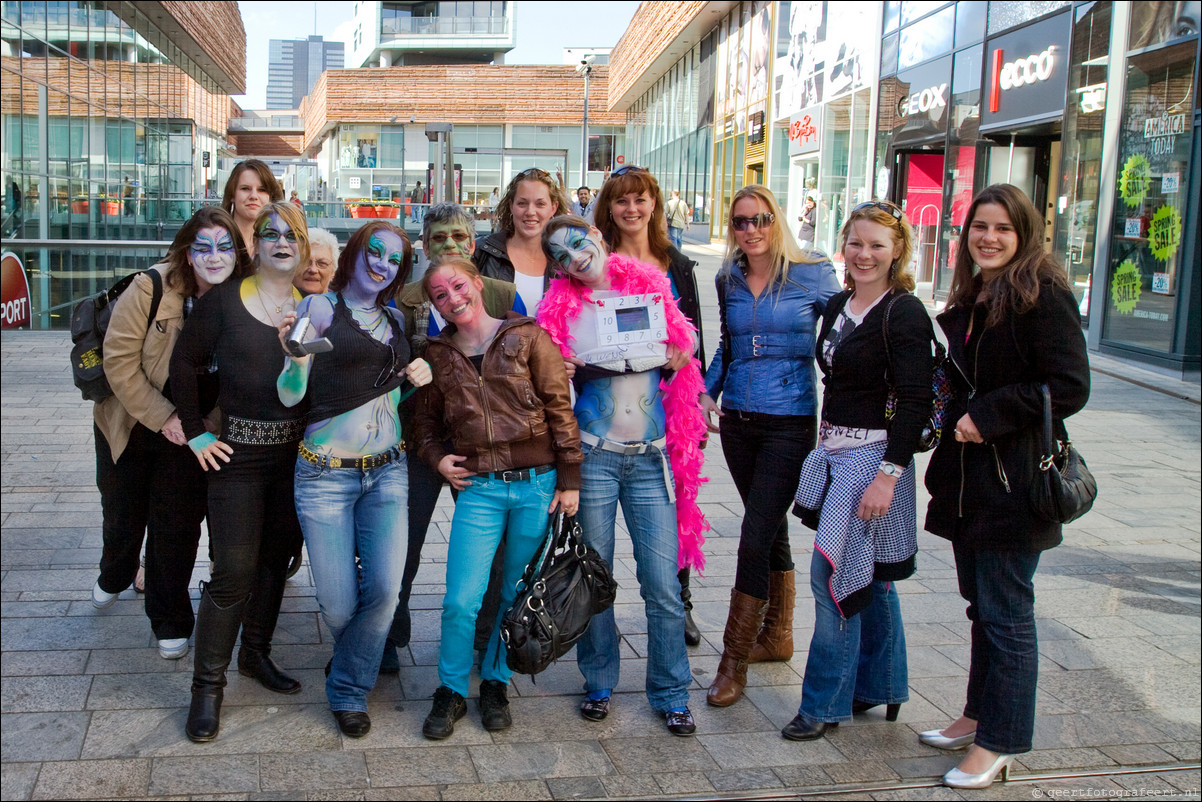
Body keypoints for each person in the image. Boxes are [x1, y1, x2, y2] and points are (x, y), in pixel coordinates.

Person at [923, 184, 1089, 790]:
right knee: (982, 608)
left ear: (1024, 235)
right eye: (979, 227)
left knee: (1007, 613)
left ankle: (1001, 741)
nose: (988, 238)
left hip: (1015, 480)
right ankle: (978, 715)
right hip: (971, 483)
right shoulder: (979, 293)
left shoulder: (1042, 295)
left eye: (1002, 229)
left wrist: (989, 414)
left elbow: (1069, 385)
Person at [539, 216, 706, 737]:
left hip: (650, 459)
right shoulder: (559, 311)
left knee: (662, 585)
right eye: (560, 255)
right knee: (597, 578)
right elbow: (543, 388)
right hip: (595, 459)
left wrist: (685, 351)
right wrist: (555, 369)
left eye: (578, 243)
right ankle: (599, 681)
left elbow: (685, 347)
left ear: (599, 237)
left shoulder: (652, 287)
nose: (573, 257)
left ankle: (672, 691)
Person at [782, 199, 933, 742]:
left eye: (877, 245)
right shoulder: (838, 304)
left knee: (832, 580)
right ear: (842, 244)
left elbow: (915, 401)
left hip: (873, 461)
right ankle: (883, 686)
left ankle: (822, 704)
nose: (864, 254)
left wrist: (888, 476)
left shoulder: (904, 312)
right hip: (833, 453)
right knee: (871, 578)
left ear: (898, 252)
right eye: (856, 242)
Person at [412, 257, 582, 740]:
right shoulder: (436, 354)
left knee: (515, 595)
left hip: (537, 484)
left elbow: (558, 408)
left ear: (478, 284)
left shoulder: (528, 336)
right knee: (461, 600)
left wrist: (570, 477)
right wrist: (436, 458)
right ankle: (449, 690)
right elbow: (424, 424)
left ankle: (495, 681)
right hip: (481, 489)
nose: (452, 298)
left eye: (457, 286)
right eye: (440, 295)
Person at [276, 221, 432, 738]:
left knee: (386, 589)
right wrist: (295, 360)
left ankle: (347, 688)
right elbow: (291, 393)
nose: (382, 263)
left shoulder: (393, 318)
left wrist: (418, 377)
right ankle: (353, 658)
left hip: (387, 472)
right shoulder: (318, 309)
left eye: (394, 258)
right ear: (356, 252)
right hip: (324, 476)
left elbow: (386, 393)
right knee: (339, 602)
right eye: (375, 251)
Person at [170, 201, 310, 743]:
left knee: (276, 562)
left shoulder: (312, 306)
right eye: (270, 233)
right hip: (237, 459)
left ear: (300, 246)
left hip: (293, 460)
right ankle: (207, 689)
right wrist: (195, 430)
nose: (279, 241)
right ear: (257, 244)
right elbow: (183, 363)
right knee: (232, 570)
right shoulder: (226, 301)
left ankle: (255, 655)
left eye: (289, 235)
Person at [701, 185, 841, 707]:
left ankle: (733, 658)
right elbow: (729, 346)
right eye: (741, 222)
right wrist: (705, 392)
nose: (751, 230)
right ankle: (778, 636)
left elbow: (844, 333)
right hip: (738, 421)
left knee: (755, 532)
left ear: (776, 220)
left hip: (791, 420)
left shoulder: (812, 272)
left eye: (761, 219)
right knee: (769, 522)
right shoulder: (728, 276)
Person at [91, 207, 251, 662]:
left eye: (225, 247)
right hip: (131, 423)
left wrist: (199, 427)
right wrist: (165, 417)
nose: (215, 257)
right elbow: (117, 362)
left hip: (195, 433)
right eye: (204, 246)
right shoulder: (152, 286)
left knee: (175, 529)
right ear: (187, 250)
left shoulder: (242, 297)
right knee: (123, 520)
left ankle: (170, 619)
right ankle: (115, 571)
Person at [382, 203, 523, 674]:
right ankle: (389, 631)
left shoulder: (503, 294)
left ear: (473, 242)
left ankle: (486, 635)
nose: (449, 245)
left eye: (459, 237)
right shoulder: (403, 299)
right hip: (417, 442)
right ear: (425, 245)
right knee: (402, 542)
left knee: (491, 552)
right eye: (439, 238)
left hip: (482, 445)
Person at [593, 165, 707, 647]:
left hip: (670, 406)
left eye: (641, 199)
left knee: (679, 510)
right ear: (610, 209)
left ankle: (678, 605)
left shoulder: (676, 263)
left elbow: (696, 330)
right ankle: (597, 619)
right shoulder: (597, 260)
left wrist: (688, 353)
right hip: (607, 409)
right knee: (599, 538)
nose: (632, 209)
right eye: (622, 201)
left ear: (654, 205)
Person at [473, 168, 571, 315]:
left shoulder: (567, 260)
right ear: (511, 206)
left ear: (553, 208)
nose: (530, 212)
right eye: (522, 203)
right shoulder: (482, 251)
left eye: (540, 204)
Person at [222, 160, 284, 260]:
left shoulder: (281, 244)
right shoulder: (215, 241)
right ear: (232, 195)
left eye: (262, 190)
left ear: (270, 198)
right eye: (245, 188)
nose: (254, 196)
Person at [294, 228, 338, 296]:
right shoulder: (275, 304)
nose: (313, 270)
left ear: (333, 272)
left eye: (322, 263)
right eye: (305, 262)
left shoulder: (342, 305)